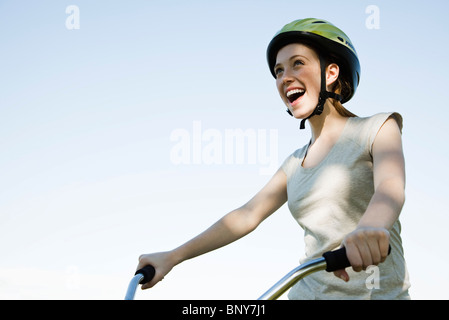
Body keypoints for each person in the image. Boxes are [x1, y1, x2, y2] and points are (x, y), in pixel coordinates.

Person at [137, 18, 411, 299]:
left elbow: (390, 186)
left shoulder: (377, 128)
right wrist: (172, 256)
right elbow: (245, 216)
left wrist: (371, 227)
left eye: (297, 63)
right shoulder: (293, 164)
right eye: (279, 71)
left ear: (330, 73)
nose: (285, 77)